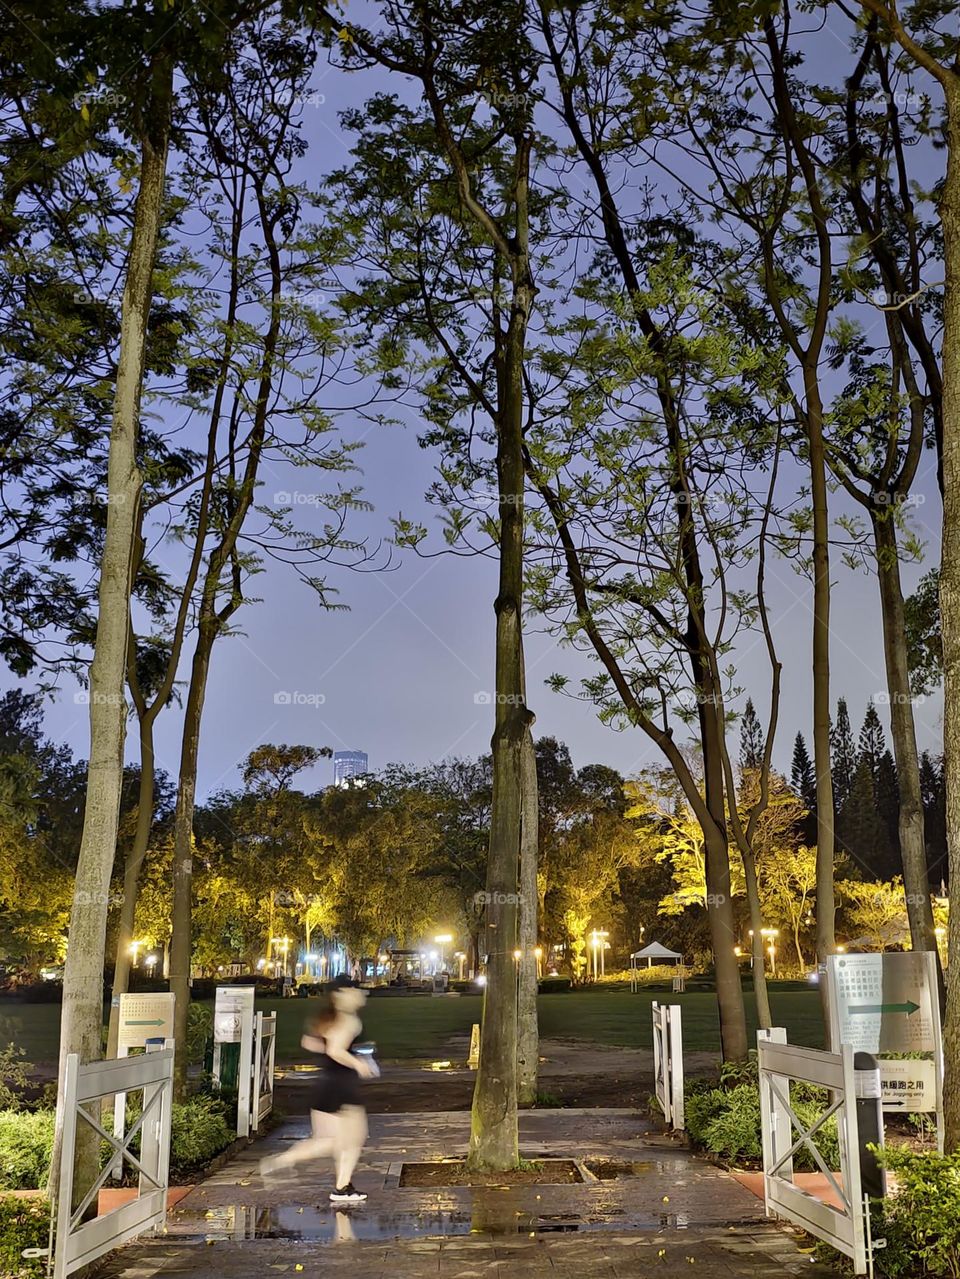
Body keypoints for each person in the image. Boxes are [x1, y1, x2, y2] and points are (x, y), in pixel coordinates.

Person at [259, 985, 375, 1202]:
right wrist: (357, 1063)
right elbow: (335, 1050)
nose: (361, 994)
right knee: (341, 1140)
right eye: (355, 990)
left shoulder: (329, 1019)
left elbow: (309, 1042)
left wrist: (332, 1047)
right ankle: (280, 1163)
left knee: (345, 1139)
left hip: (329, 1084)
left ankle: (342, 1187)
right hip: (340, 1086)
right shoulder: (349, 1020)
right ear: (341, 996)